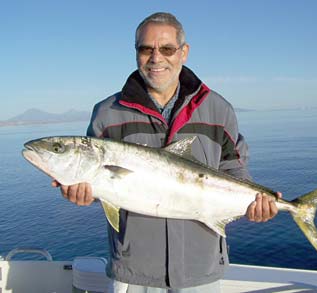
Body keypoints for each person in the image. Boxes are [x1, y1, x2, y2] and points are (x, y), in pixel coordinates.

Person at [52, 12, 281, 293]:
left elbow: (234, 168)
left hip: (202, 269)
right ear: (136, 53)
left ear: (184, 52)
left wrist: (257, 201)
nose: (156, 58)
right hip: (134, 272)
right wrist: (80, 192)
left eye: (167, 49)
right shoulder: (107, 113)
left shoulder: (218, 109)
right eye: (146, 49)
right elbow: (96, 180)